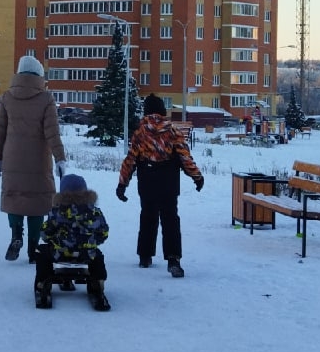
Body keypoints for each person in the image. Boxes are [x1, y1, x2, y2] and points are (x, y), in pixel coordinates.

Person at [117, 94, 204, 277]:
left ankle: (145, 256)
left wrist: (122, 184)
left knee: (147, 216)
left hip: (147, 180)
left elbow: (130, 160)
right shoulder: (172, 131)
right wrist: (196, 177)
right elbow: (184, 158)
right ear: (162, 111)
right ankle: (173, 259)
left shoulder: (140, 133)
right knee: (170, 218)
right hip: (168, 181)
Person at [0, 55, 67, 263]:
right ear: (39, 75)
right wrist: (60, 158)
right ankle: (34, 248)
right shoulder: (46, 99)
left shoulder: (7, 97)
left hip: (12, 159)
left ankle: (16, 235)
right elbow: (52, 133)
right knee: (37, 202)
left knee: (14, 197)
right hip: (38, 161)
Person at [34, 173, 110, 310]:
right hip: (86, 254)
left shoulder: (57, 212)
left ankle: (43, 281)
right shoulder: (94, 212)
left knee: (41, 251)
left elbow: (45, 233)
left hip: (59, 253)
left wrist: (53, 240)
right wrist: (92, 241)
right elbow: (103, 233)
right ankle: (98, 281)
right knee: (97, 256)